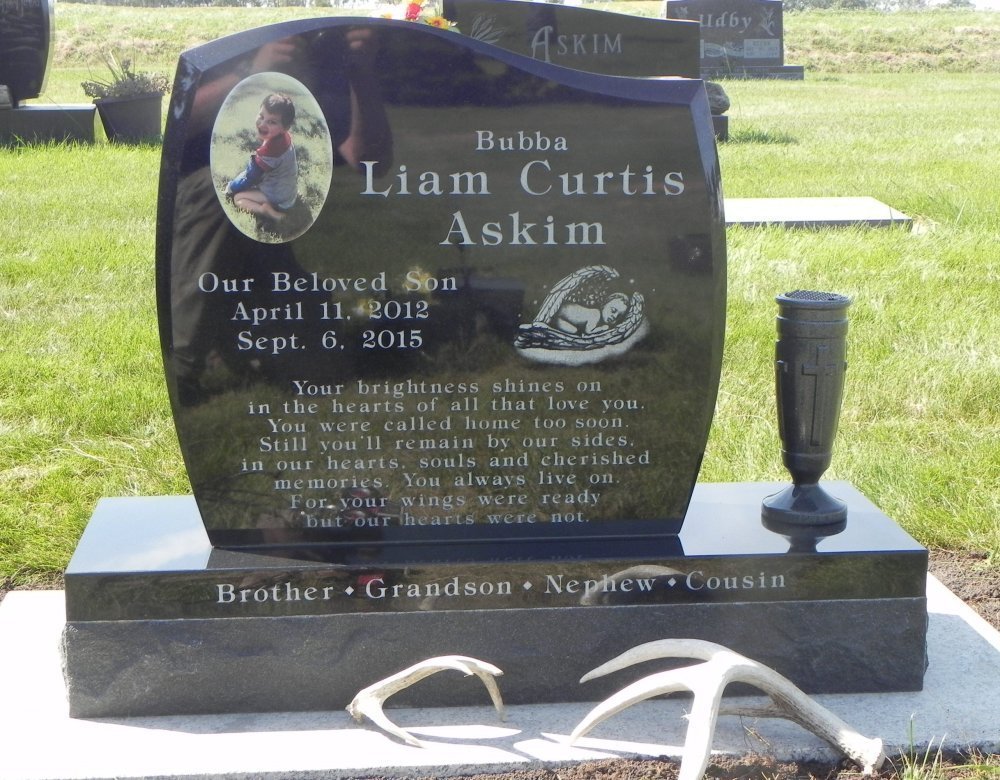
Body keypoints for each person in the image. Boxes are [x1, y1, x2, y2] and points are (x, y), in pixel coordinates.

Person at [225, 93, 299, 222]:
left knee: (239, 198)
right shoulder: (284, 138)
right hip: (288, 189)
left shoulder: (269, 153)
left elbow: (250, 177)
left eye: (272, 122)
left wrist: (231, 188)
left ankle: (266, 211)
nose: (263, 124)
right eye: (261, 116)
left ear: (284, 127)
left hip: (278, 195)